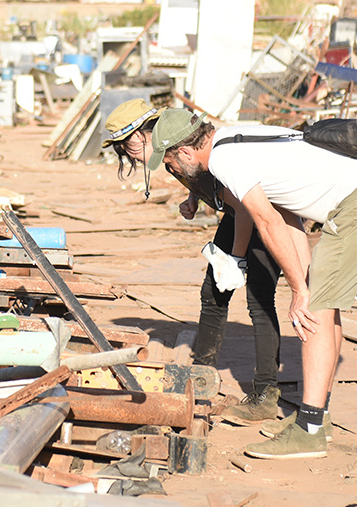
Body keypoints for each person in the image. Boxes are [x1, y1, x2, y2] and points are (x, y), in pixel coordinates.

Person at [149, 108, 357, 459]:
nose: (173, 171)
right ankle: (318, 419)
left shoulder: (224, 160)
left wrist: (299, 291)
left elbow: (267, 222)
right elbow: (288, 216)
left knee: (313, 311)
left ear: (186, 152)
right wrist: (304, 279)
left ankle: (309, 432)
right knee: (321, 304)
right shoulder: (234, 138)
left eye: (171, 163)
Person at [101, 99, 285, 422]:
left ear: (143, 134)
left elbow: (245, 207)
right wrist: (194, 198)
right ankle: (201, 375)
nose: (129, 156)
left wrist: (235, 259)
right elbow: (198, 176)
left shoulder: (178, 142)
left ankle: (266, 395)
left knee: (259, 300)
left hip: (265, 212)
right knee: (213, 294)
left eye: (128, 147)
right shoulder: (168, 154)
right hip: (238, 212)